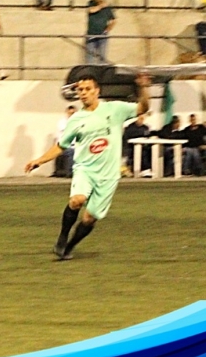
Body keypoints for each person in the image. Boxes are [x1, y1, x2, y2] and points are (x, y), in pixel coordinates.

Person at [25, 73, 150, 260]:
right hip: (85, 169)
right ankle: (62, 237)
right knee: (77, 200)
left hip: (108, 175)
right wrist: (39, 160)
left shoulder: (114, 109)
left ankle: (69, 247)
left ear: (97, 91)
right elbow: (61, 145)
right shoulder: (76, 120)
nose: (83, 93)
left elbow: (143, 108)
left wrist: (143, 87)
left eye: (88, 89)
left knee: (89, 218)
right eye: (80, 90)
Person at [86, 0, 115, 64]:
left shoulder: (108, 7)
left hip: (102, 35)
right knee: (90, 57)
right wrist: (101, 6)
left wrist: (108, 29)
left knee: (102, 57)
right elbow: (91, 10)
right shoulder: (91, 3)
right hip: (91, 34)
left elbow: (113, 20)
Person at [53, 105, 76, 178]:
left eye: (73, 113)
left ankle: (68, 172)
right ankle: (67, 172)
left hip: (73, 145)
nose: (72, 115)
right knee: (70, 153)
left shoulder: (77, 121)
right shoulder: (62, 122)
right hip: (63, 145)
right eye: (70, 113)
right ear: (67, 112)